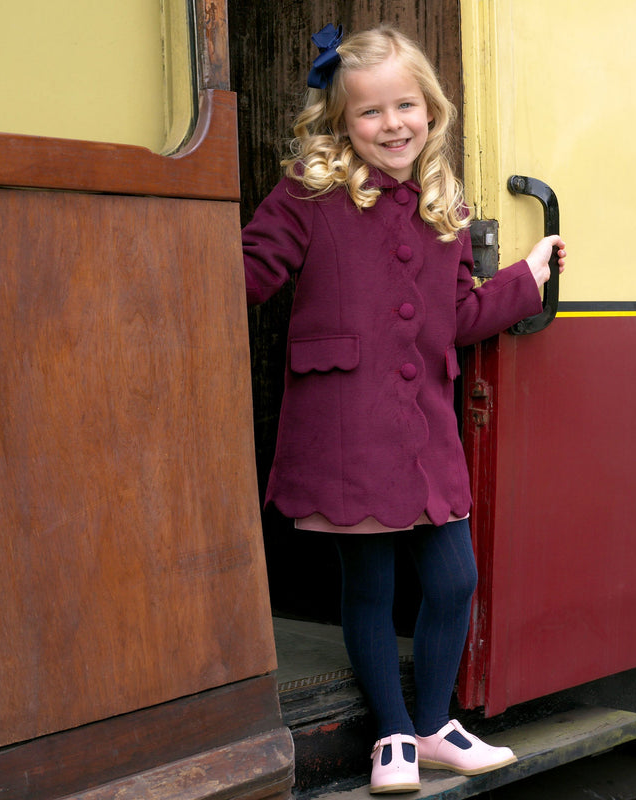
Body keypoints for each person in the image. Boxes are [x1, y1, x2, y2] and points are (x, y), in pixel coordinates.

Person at [242, 23, 566, 794]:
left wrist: (524, 276)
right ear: (340, 122)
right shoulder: (309, 192)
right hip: (347, 429)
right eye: (370, 113)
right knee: (371, 585)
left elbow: (455, 316)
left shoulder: (440, 201)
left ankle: (434, 725)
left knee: (455, 578)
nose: (392, 125)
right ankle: (392, 735)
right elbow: (250, 273)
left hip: (424, 426)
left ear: (431, 109)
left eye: (406, 106)